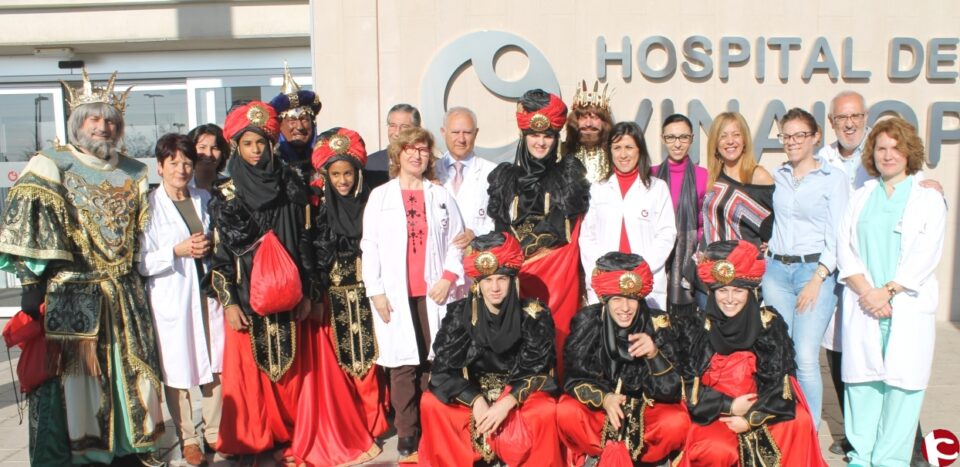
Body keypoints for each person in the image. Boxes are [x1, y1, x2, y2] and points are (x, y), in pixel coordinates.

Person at [0, 69, 165, 465]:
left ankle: (129, 446)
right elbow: (27, 223)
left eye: (111, 120)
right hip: (73, 294)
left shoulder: (135, 171)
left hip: (125, 294)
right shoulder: (51, 163)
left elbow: (146, 235)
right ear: (78, 124)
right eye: (94, 118)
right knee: (77, 381)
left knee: (129, 370)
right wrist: (30, 284)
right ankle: (84, 453)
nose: (103, 127)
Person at [205, 101, 316, 458]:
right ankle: (253, 439)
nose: (255, 151)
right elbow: (219, 257)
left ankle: (290, 435)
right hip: (246, 299)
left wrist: (308, 293)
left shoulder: (289, 184)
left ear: (271, 144)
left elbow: (304, 242)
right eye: (248, 143)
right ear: (236, 146)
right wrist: (229, 303)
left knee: (291, 377)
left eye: (261, 143)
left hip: (288, 296)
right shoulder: (226, 193)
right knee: (251, 383)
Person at [837, 118, 946, 466]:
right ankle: (861, 456)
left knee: (902, 388)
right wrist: (868, 292)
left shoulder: (928, 197)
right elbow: (845, 248)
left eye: (896, 147)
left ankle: (891, 461)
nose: (888, 154)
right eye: (881, 148)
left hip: (905, 304)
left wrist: (888, 291)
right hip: (865, 303)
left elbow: (927, 252)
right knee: (863, 385)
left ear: (909, 151)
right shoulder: (860, 197)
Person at [361, 127, 468, 461]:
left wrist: (448, 277)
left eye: (423, 149)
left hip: (433, 294)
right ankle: (407, 432)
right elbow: (370, 246)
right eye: (410, 148)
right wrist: (376, 292)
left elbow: (458, 240)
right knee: (402, 367)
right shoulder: (381, 196)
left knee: (433, 362)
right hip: (395, 294)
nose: (417, 155)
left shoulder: (440, 196)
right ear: (398, 154)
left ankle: (432, 426)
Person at [677, 240, 826, 466]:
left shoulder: (768, 325)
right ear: (712, 292)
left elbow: (781, 385)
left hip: (760, 408)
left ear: (751, 292)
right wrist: (729, 406)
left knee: (801, 420)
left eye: (738, 290)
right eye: (722, 290)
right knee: (718, 449)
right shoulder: (696, 328)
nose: (729, 299)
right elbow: (687, 389)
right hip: (713, 414)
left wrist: (751, 419)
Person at [420, 232, 561, 466]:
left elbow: (539, 370)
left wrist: (507, 402)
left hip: (517, 397)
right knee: (431, 403)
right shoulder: (458, 314)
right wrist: (475, 400)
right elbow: (442, 370)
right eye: (487, 280)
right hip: (474, 396)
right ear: (478, 283)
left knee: (545, 410)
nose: (494, 287)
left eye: (501, 279)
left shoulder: (535, 315)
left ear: (513, 280)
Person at [487, 88, 590, 375]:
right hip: (516, 280)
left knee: (557, 343)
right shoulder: (505, 178)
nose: (541, 142)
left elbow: (574, 231)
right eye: (534, 134)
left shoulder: (568, 174)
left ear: (556, 138)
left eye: (547, 136)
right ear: (524, 136)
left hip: (559, 279)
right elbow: (500, 231)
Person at [138, 133, 224, 465]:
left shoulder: (205, 198)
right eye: (173, 163)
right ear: (159, 167)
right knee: (178, 365)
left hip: (207, 293)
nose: (181, 169)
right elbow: (142, 262)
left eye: (187, 162)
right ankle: (188, 437)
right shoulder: (149, 206)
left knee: (216, 362)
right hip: (172, 296)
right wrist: (177, 250)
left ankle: (215, 432)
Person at [761, 108, 849, 431]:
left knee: (806, 356)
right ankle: (788, 427)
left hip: (815, 273)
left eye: (800, 135)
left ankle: (809, 432)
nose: (793, 141)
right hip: (776, 274)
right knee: (783, 353)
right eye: (787, 135)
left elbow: (838, 236)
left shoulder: (833, 179)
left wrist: (818, 278)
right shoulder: (778, 175)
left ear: (815, 138)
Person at [558, 252, 689, 466]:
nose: (625, 308)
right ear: (605, 300)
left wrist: (654, 355)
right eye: (617, 299)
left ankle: (644, 457)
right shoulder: (588, 321)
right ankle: (600, 453)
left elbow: (672, 391)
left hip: (645, 412)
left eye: (631, 299)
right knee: (565, 410)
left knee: (676, 422)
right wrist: (605, 398)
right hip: (601, 411)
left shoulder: (658, 323)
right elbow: (573, 379)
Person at [309, 127, 389, 439]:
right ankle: (348, 426)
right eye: (336, 174)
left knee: (370, 362)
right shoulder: (317, 208)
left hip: (369, 296)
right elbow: (312, 255)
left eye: (348, 173)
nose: (342, 181)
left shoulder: (373, 202)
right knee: (341, 367)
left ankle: (373, 423)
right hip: (333, 299)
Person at [579, 121, 676, 309]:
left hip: (645, 280)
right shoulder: (598, 189)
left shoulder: (657, 188)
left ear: (639, 150)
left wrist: (640, 269)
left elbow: (666, 234)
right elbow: (587, 237)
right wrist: (601, 271)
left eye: (629, 147)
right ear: (610, 151)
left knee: (644, 335)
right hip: (606, 281)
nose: (623, 154)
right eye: (617, 148)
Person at [698, 112, 774, 308]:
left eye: (736, 135)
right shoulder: (714, 176)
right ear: (715, 143)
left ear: (745, 140)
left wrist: (770, 242)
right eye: (723, 136)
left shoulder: (757, 175)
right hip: (711, 275)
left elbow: (776, 222)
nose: (730, 141)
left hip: (742, 277)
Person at [651, 113, 709, 316]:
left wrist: (696, 255)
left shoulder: (704, 176)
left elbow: (705, 223)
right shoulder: (650, 175)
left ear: (692, 139)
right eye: (671, 137)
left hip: (690, 261)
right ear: (662, 139)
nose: (677, 144)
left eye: (683, 137)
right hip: (656, 259)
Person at [437, 106, 497, 250]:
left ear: (476, 133)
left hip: (478, 258)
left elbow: (503, 220)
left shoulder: (493, 172)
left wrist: (475, 231)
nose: (461, 139)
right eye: (455, 132)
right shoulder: (430, 172)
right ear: (443, 132)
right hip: (439, 259)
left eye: (467, 132)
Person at [270, 62, 322, 179]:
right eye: (292, 120)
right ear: (279, 125)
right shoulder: (270, 162)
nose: (299, 127)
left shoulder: (324, 157)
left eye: (304, 119)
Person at [563, 80, 615, 183]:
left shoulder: (615, 153)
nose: (588, 124)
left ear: (605, 122)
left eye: (595, 118)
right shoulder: (561, 151)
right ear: (575, 121)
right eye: (583, 118)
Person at [365, 103, 421, 189]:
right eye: (392, 126)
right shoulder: (370, 164)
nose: (397, 132)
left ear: (417, 130)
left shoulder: (428, 165)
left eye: (404, 126)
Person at [188, 123, 230, 191]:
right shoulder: (183, 187)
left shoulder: (231, 188)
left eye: (215, 148)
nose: (209, 154)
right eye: (202, 147)